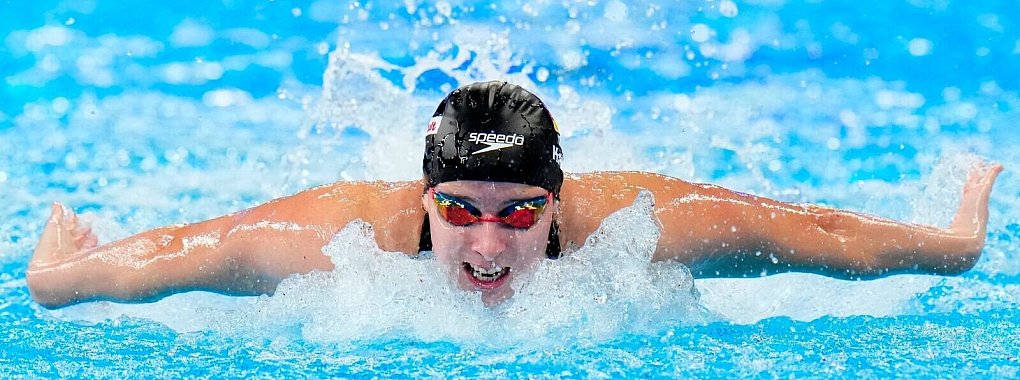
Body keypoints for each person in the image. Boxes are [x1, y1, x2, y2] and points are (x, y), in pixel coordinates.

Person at [26, 81, 1004, 308]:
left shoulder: (636, 226)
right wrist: (59, 275)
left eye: (520, 212)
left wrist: (955, 243)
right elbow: (184, 249)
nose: (488, 243)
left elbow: (813, 232)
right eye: (459, 209)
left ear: (557, 204)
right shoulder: (341, 238)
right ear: (424, 199)